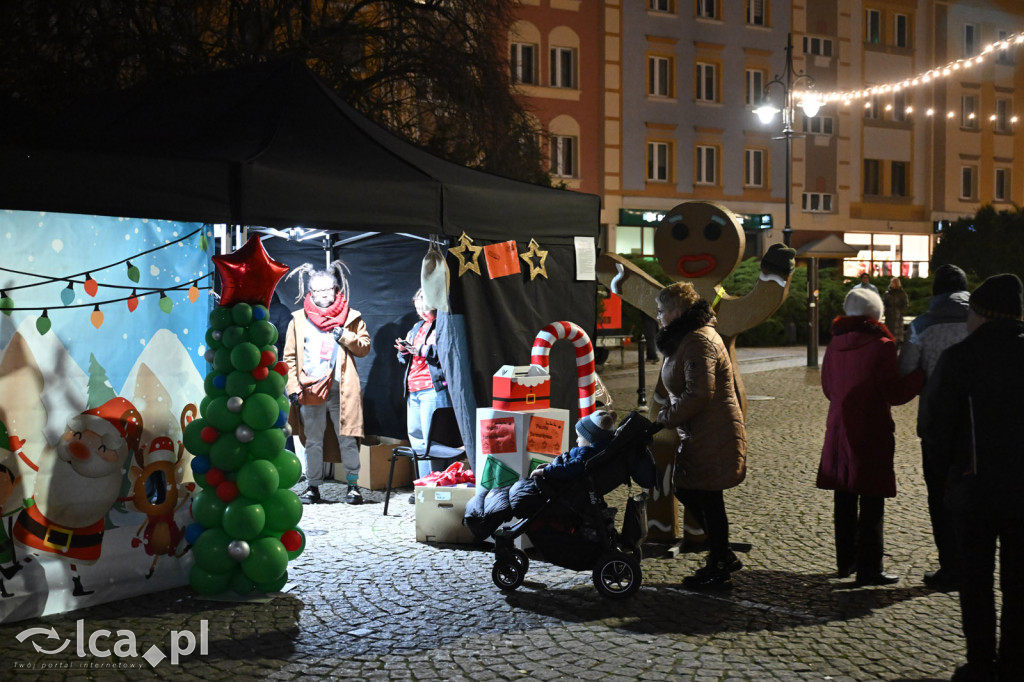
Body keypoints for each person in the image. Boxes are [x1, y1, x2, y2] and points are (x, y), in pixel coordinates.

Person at [925, 273, 1024, 682]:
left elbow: (938, 430)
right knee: (1020, 586)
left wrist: (945, 483)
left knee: (976, 583)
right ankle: (1016, 663)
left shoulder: (961, 358)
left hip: (975, 489)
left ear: (981, 315)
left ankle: (981, 664)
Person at [818, 288, 924, 586]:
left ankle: (845, 562)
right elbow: (893, 392)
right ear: (876, 315)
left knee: (845, 494)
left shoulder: (835, 343)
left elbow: (828, 388)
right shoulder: (882, 345)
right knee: (872, 498)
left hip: (839, 427)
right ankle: (870, 568)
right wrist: (920, 376)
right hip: (870, 427)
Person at [652, 282, 745, 591]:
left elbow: (699, 394)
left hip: (711, 430)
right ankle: (722, 556)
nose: (659, 316)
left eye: (662, 311)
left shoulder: (697, 341)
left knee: (702, 494)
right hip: (702, 430)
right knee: (700, 493)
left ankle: (720, 563)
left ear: (677, 312)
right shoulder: (690, 336)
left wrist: (664, 417)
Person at [898, 264, 970, 591]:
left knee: (939, 496)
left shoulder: (922, 325)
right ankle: (973, 564)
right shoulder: (980, 321)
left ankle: (950, 567)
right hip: (976, 424)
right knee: (973, 494)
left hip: (937, 421)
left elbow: (907, 369)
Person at [284, 261, 371, 505]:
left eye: (328, 290)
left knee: (348, 437)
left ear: (336, 290)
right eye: (318, 291)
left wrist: (344, 335)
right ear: (310, 292)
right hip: (310, 389)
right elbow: (289, 357)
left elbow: (364, 348)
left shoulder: (351, 317)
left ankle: (353, 487)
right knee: (312, 440)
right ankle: (313, 487)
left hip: (342, 389)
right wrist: (292, 388)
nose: (324, 295)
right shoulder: (298, 320)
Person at [396, 289, 451, 499]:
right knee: (417, 439)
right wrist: (404, 351)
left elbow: (446, 353)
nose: (421, 312)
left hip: (433, 389)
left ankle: (434, 489)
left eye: (425, 307)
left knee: (433, 442)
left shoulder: (443, 324)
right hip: (414, 389)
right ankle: (422, 487)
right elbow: (407, 360)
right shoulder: (417, 327)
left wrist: (422, 350)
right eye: (418, 308)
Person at [530, 411, 616, 481]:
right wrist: (551, 466)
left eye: (579, 436)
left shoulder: (587, 455)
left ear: (590, 440)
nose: (577, 440)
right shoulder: (596, 452)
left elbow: (570, 469)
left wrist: (545, 471)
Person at [883, 277, 910, 346]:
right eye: (891, 282)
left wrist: (900, 312)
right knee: (889, 334)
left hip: (898, 317)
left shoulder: (902, 294)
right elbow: (884, 303)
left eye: (893, 282)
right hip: (889, 317)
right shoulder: (887, 293)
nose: (891, 284)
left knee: (897, 336)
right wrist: (886, 311)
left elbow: (905, 304)